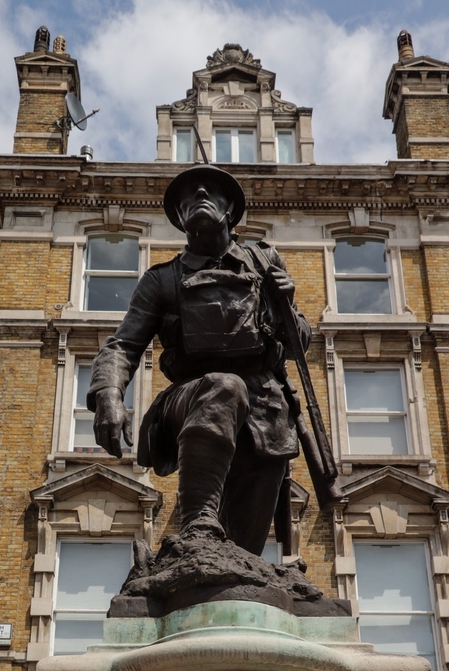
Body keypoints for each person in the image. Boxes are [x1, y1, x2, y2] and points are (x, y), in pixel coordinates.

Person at [87, 165, 311, 556]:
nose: (201, 193)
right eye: (189, 195)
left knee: (244, 553)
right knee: (225, 385)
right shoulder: (162, 280)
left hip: (266, 414)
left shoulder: (263, 264)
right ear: (180, 218)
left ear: (230, 211)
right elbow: (122, 346)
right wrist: (108, 394)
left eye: (212, 191)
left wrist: (286, 305)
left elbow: (299, 345)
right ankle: (198, 523)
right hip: (191, 399)